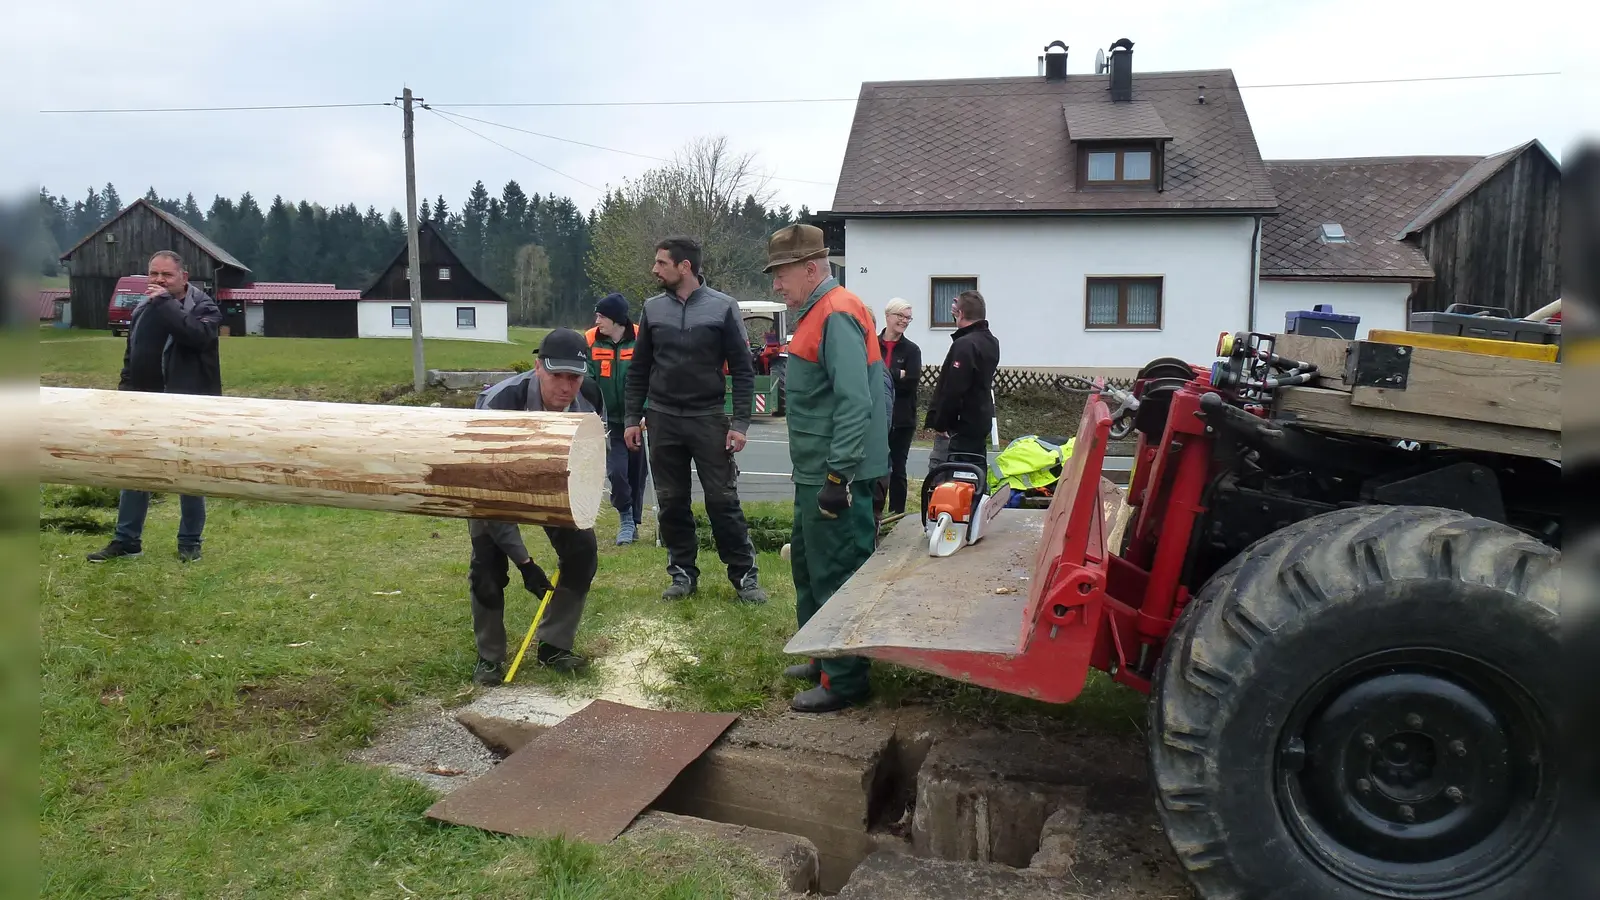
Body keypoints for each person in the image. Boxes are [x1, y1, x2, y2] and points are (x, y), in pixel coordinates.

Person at [765, 224, 890, 713]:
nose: (777, 284)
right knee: (810, 566)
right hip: (815, 472)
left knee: (838, 571)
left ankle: (845, 679)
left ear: (811, 268)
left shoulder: (836, 313)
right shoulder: (820, 311)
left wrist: (838, 476)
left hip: (838, 475)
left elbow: (855, 402)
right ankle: (822, 654)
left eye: (782, 273)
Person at [624, 236, 767, 603]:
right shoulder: (653, 308)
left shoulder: (723, 307)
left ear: (684, 266)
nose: (654, 270)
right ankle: (682, 574)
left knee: (722, 501)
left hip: (708, 418)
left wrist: (740, 424)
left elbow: (743, 369)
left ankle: (745, 578)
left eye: (661, 263)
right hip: (662, 418)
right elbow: (639, 368)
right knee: (671, 501)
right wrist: (631, 418)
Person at [466, 329, 602, 685]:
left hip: (555, 481)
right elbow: (489, 493)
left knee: (582, 551)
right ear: (538, 366)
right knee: (487, 567)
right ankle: (489, 657)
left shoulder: (590, 400)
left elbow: (588, 464)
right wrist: (525, 563)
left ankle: (554, 646)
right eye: (557, 376)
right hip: (493, 484)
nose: (566, 387)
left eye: (574, 378)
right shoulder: (499, 403)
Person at [87, 250, 222, 564]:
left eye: (167, 275)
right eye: (153, 274)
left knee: (189, 475)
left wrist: (164, 303)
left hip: (188, 406)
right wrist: (125, 394)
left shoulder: (204, 307)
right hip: (144, 406)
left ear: (184, 277)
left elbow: (197, 337)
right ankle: (127, 542)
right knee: (136, 472)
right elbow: (131, 356)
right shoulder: (142, 309)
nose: (159, 280)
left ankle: (190, 543)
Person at [586, 292, 647, 545]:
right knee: (617, 472)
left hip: (637, 420)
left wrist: (646, 411)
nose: (597, 321)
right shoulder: (591, 340)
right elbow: (587, 381)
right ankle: (625, 518)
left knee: (636, 473)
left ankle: (633, 522)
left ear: (616, 319)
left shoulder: (642, 337)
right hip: (608, 422)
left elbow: (652, 374)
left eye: (601, 316)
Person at [925, 289, 999, 478]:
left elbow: (954, 389)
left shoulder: (965, 345)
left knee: (945, 476)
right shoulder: (991, 342)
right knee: (972, 476)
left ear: (961, 313)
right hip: (979, 422)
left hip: (958, 427)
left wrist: (941, 422)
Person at [878, 298, 922, 516]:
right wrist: (897, 374)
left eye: (908, 318)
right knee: (875, 468)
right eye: (901, 316)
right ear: (888, 316)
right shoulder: (872, 345)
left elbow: (911, 383)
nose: (904, 321)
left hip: (902, 419)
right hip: (875, 417)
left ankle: (896, 515)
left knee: (897, 468)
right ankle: (874, 513)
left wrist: (885, 375)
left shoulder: (912, 350)